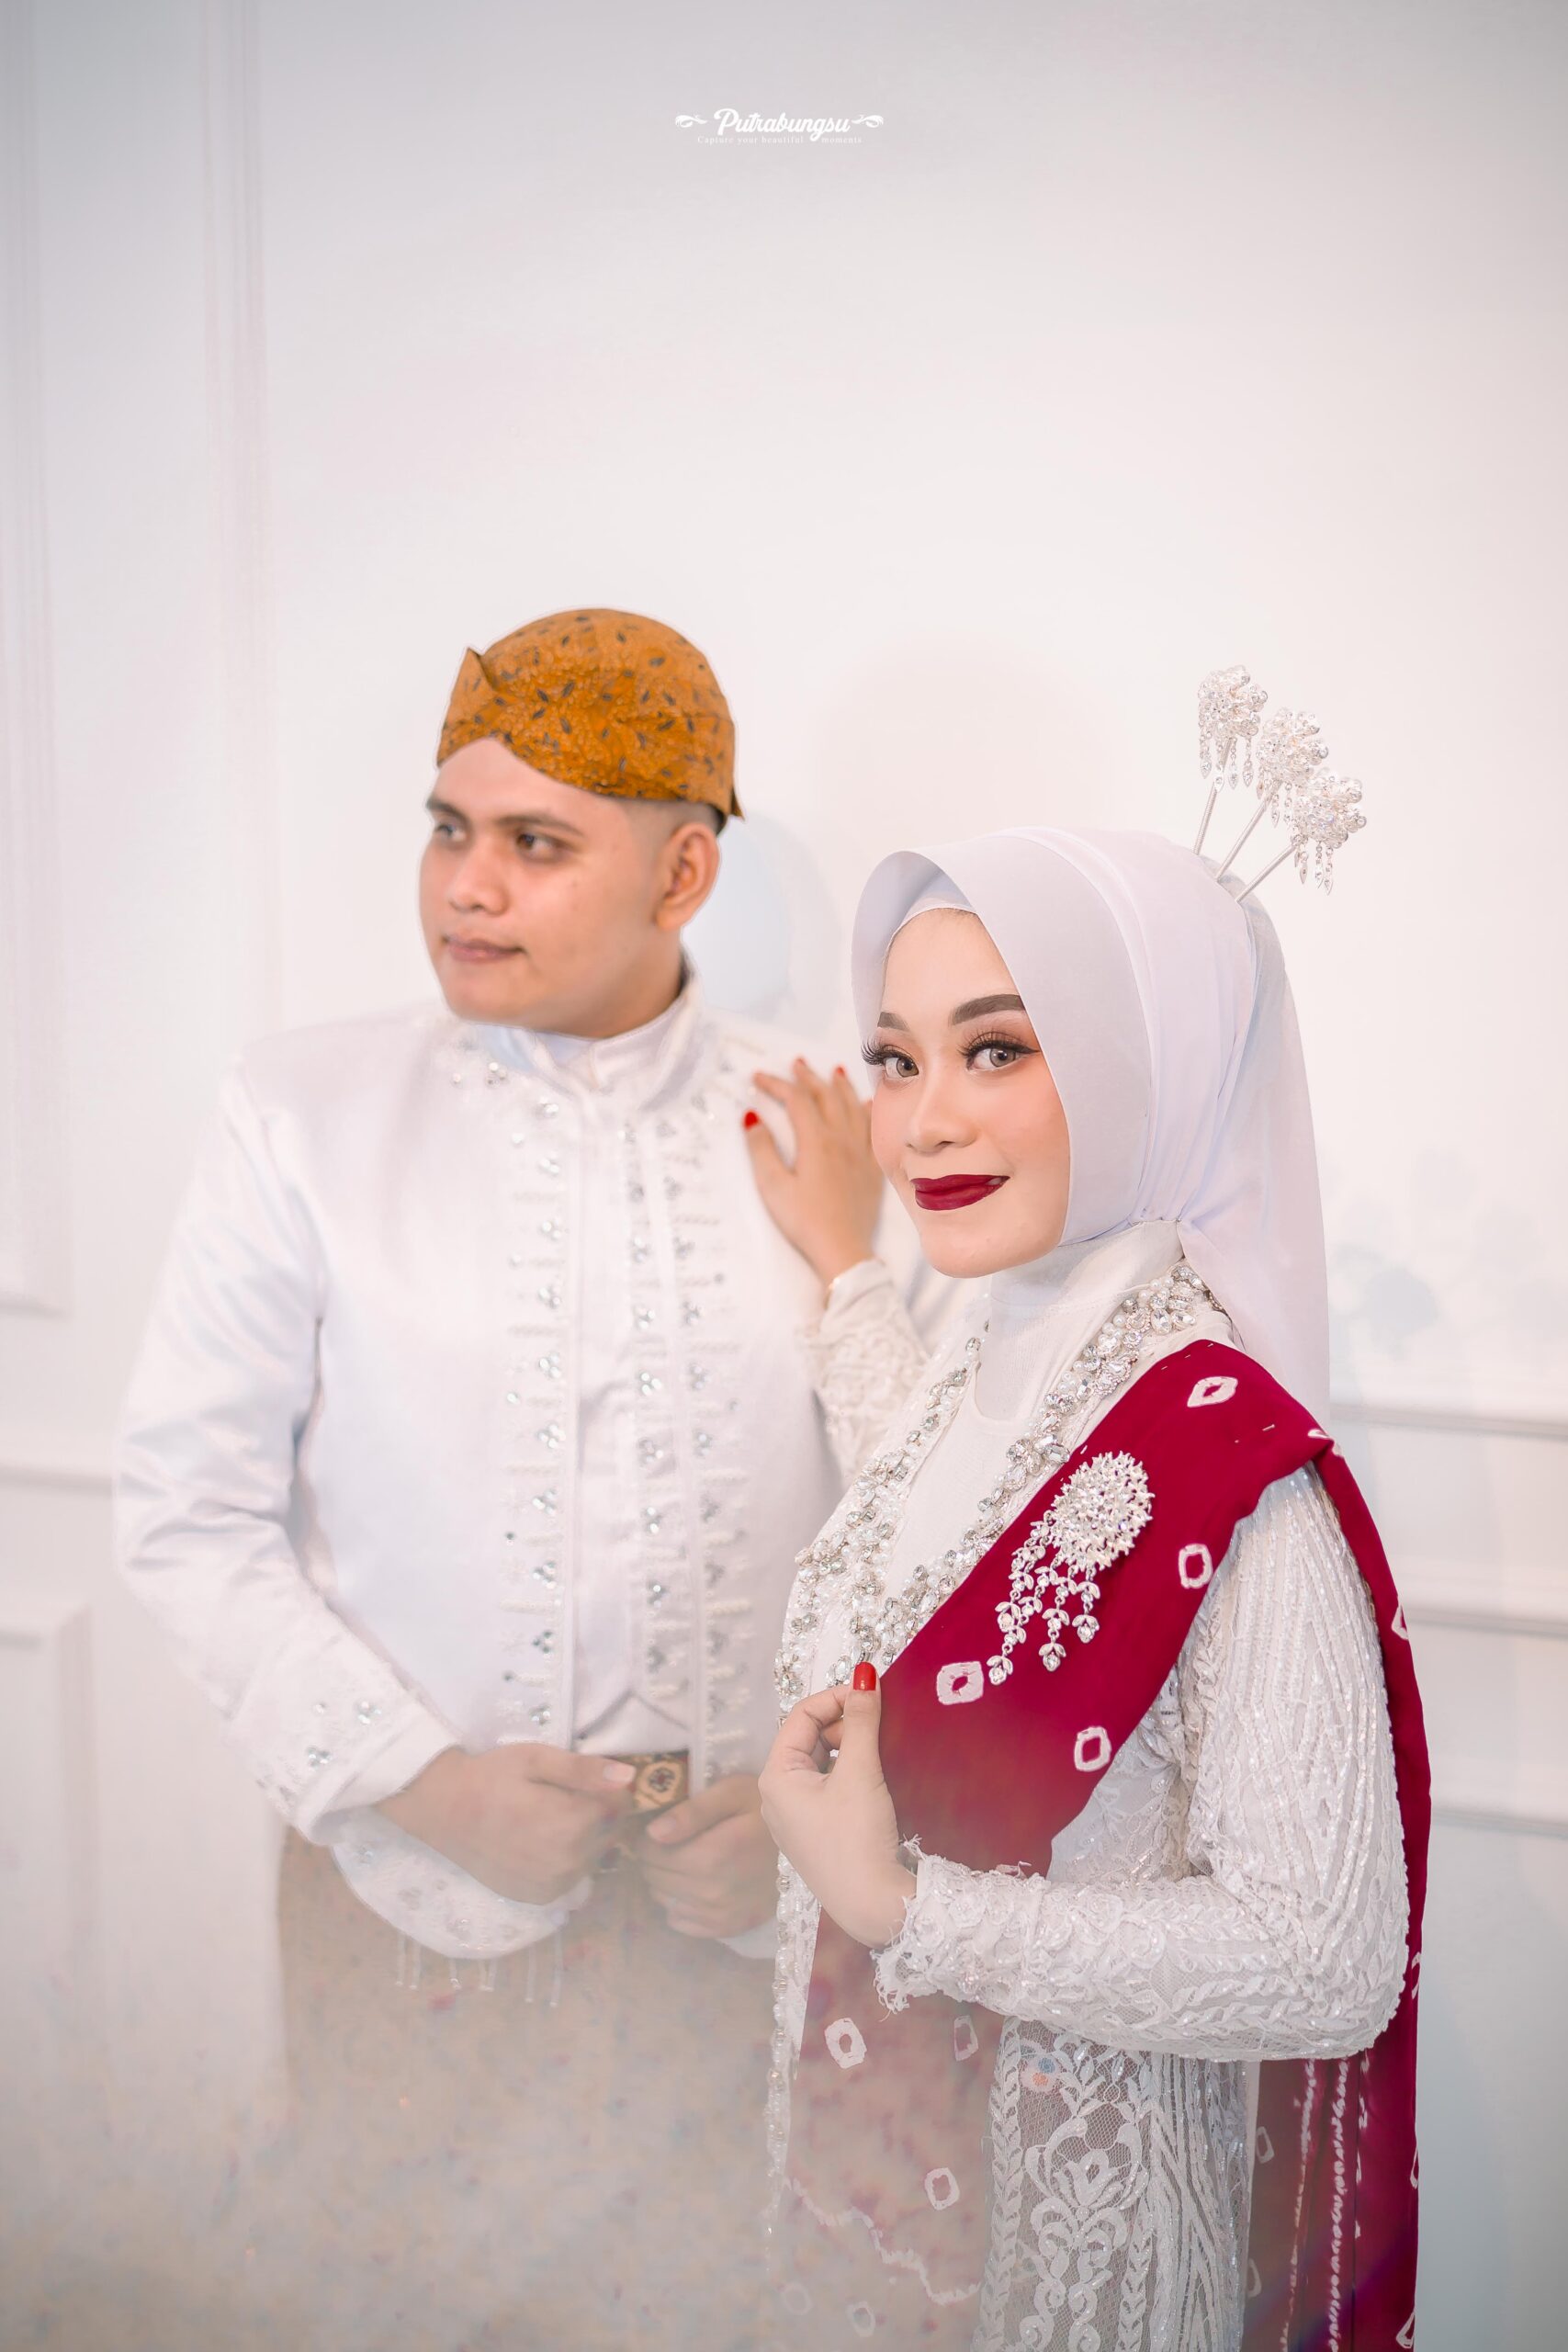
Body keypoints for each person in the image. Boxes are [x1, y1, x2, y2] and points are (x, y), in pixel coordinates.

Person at [113, 607, 944, 2352]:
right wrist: (421, 1786)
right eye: (447, 830)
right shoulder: (302, 1115)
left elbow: (932, 1540)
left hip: (751, 1941)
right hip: (411, 1913)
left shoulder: (828, 1126)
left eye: (535, 844)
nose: (464, 888)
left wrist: (804, 1836)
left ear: (683, 873)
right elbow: (187, 1515)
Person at [752, 826, 1428, 2352]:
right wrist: (847, 1272)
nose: (924, 1123)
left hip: (1073, 2268)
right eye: (896, 1059)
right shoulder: (1003, 1346)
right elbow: (944, 1539)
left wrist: (905, 1910)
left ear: (1151, 1068)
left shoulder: (1233, 1462)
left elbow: (1328, 1960)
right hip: (862, 2175)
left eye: (996, 1049)